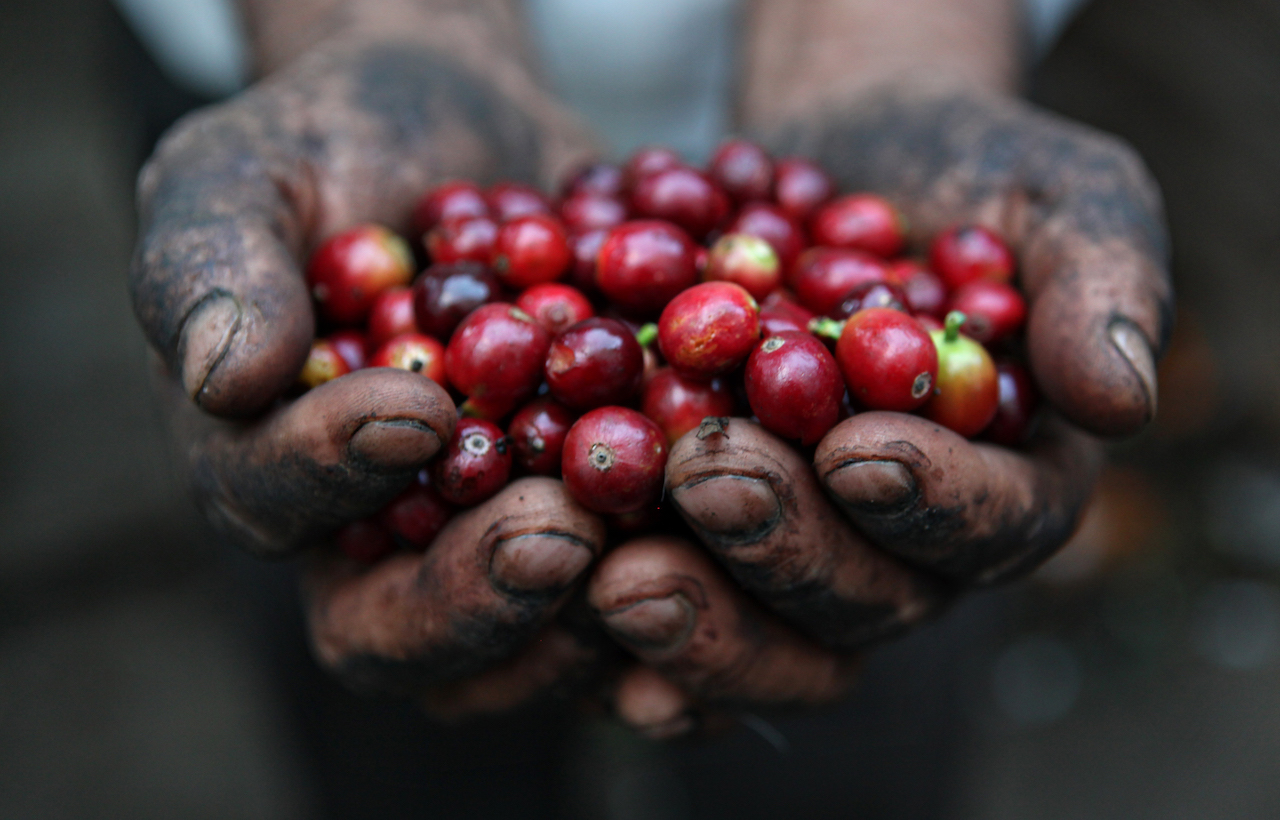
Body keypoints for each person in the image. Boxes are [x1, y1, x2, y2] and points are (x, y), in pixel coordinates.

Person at [127, 0, 1170, 802]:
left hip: (873, 71)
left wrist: (891, 35)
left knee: (847, 666)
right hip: (325, 91)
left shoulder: (769, 332)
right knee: (383, 667)